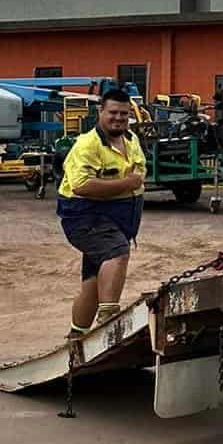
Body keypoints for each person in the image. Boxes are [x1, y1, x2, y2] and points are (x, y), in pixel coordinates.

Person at [57, 85, 147, 336]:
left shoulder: (131, 140)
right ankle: (109, 320)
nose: (119, 118)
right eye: (113, 113)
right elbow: (81, 186)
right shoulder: (87, 145)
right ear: (101, 112)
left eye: (124, 114)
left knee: (94, 279)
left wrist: (128, 184)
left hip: (117, 219)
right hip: (85, 216)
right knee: (117, 252)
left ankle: (77, 335)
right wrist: (126, 184)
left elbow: (139, 173)